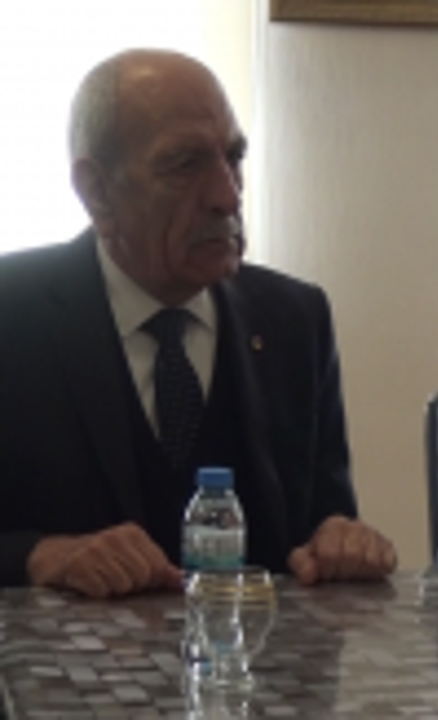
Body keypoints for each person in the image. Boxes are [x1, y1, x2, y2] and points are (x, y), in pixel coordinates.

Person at [0, 49, 397, 598]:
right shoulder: (14, 314)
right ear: (97, 192)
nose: (227, 195)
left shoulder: (294, 319)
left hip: (253, 650)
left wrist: (342, 542)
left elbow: (323, 524)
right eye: (185, 164)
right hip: (66, 651)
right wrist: (39, 555)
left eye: (233, 158)